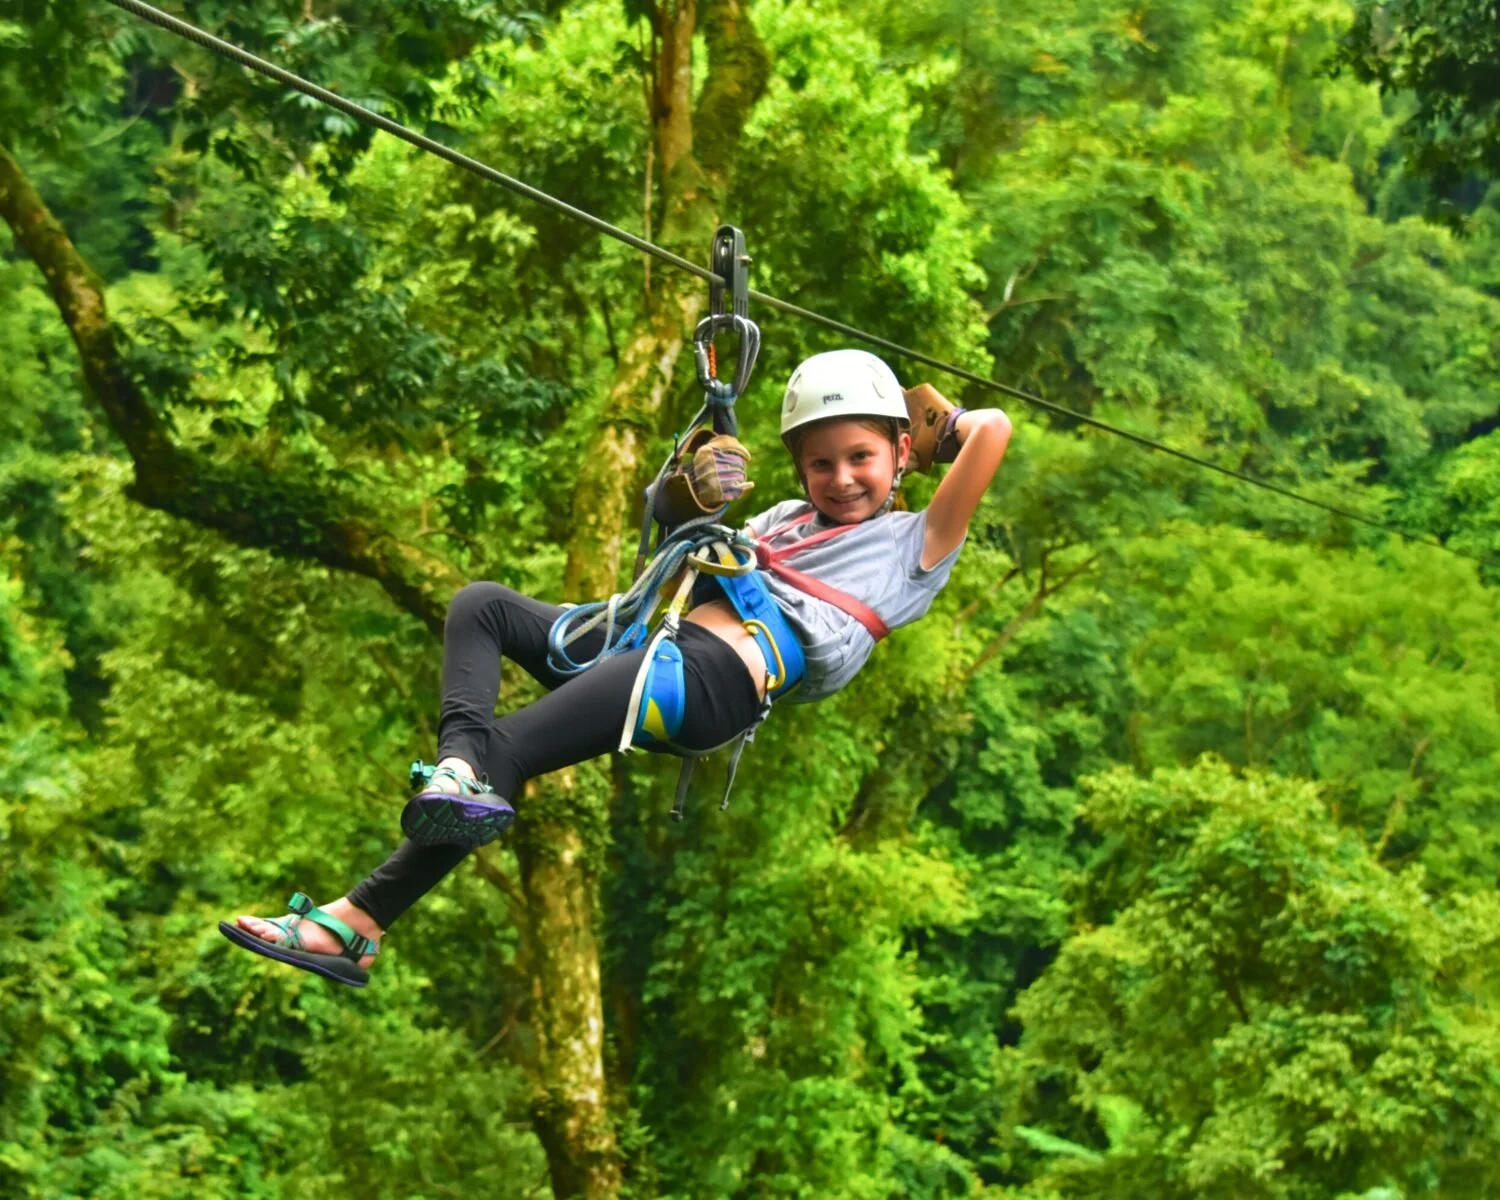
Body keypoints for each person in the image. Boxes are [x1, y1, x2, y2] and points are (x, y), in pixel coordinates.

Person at [219, 350, 1013, 986]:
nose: (840, 479)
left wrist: (933, 426)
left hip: (709, 681)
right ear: (801, 471)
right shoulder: (785, 520)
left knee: (510, 752)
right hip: (651, 642)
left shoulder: (915, 548)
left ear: (900, 453)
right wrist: (687, 492)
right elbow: (679, 531)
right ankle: (453, 771)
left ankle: (356, 921)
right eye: (821, 463)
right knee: (482, 608)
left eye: (861, 458)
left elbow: (994, 429)